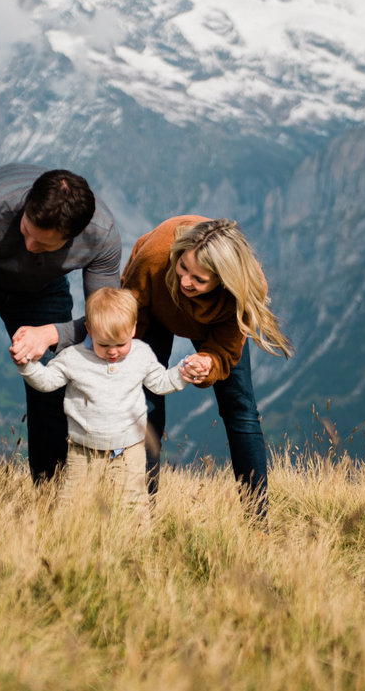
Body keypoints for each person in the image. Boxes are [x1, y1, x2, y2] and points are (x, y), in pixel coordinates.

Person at [0, 164, 121, 503]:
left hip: (42, 288)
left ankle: (51, 501)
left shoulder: (101, 234)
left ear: (72, 238)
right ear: (26, 203)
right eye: (26, 230)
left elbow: (106, 323)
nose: (28, 246)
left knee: (54, 385)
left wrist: (51, 334)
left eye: (43, 244)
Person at [122, 216, 293, 518]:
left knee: (241, 409)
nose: (186, 281)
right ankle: (140, 516)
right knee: (146, 405)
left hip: (214, 320)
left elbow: (225, 349)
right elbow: (129, 315)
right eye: (183, 268)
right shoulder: (154, 259)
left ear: (223, 280)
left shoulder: (243, 290)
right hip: (153, 308)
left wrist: (209, 362)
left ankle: (257, 521)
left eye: (199, 279)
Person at [16, 287, 189, 510]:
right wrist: (26, 365)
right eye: (104, 344)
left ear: (133, 329)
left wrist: (182, 374)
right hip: (83, 450)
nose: (113, 352)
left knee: (134, 502)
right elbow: (47, 381)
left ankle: (138, 541)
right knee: (72, 503)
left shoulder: (141, 354)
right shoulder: (73, 357)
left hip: (129, 450)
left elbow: (160, 383)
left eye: (121, 344)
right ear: (89, 330)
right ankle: (66, 539)